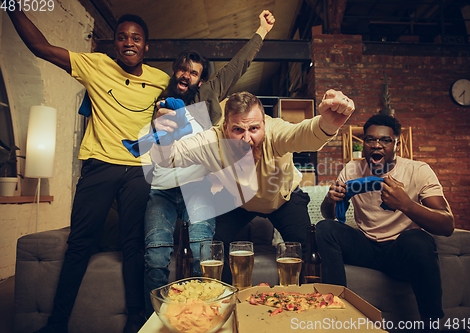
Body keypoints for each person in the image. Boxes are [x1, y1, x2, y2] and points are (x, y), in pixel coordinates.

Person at [7, 9, 170, 333]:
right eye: (122, 37)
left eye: (135, 38)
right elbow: (41, 47)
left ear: (146, 46)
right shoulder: (94, 65)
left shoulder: (160, 80)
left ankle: (137, 321)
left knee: (134, 244)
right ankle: (56, 324)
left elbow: (177, 118)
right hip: (99, 166)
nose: (128, 43)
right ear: (113, 43)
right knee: (80, 242)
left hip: (138, 170)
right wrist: (11, 6)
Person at [143, 10, 275, 315]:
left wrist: (262, 31)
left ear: (201, 78)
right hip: (163, 188)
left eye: (193, 72)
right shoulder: (160, 105)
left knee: (206, 253)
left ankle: (203, 312)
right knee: (155, 254)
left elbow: (238, 64)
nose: (186, 76)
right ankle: (158, 316)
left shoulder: (209, 95)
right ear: (175, 71)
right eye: (182, 70)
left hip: (198, 186)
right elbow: (151, 153)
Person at [150, 89, 355, 284]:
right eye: (238, 130)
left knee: (307, 249)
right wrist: (163, 134)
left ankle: (303, 306)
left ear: (265, 124)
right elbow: (169, 158)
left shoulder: (275, 132)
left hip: (283, 199)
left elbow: (302, 135)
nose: (246, 139)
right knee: (215, 248)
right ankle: (227, 303)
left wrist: (326, 125)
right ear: (225, 128)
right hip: (238, 201)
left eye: (254, 129)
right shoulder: (213, 140)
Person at [316, 114, 454, 331]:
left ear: (396, 144)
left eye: (385, 140)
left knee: (417, 239)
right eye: (370, 140)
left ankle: (432, 324)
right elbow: (328, 215)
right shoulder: (352, 169)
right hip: (366, 247)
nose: (376, 145)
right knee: (324, 229)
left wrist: (407, 205)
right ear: (364, 144)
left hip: (398, 252)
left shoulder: (418, 171)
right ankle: (336, 314)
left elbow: (447, 225)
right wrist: (330, 199)